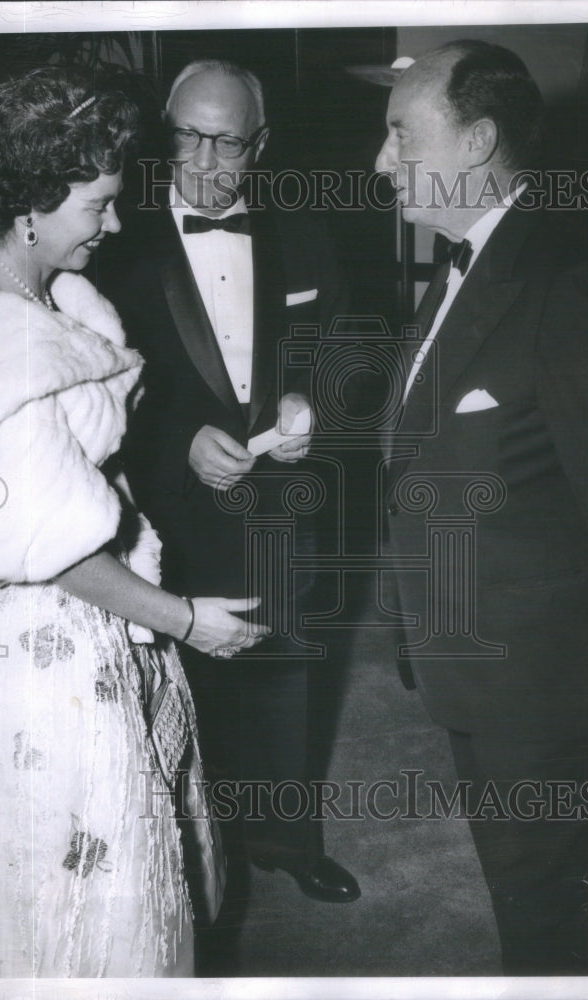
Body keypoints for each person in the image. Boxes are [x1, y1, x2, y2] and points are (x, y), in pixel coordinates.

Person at [0, 66, 269, 979]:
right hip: (35, 666)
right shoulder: (0, 345)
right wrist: (185, 621)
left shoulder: (12, 284)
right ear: (32, 205)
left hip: (43, 631)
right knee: (62, 912)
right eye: (97, 202)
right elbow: (49, 551)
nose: (116, 221)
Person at [374, 40, 588, 974]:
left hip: (551, 697)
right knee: (529, 905)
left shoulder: (568, 282)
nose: (380, 161)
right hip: (481, 679)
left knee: (565, 926)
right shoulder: (464, 263)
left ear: (476, 140)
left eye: (402, 136)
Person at [96, 60, 360, 909]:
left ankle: (285, 840)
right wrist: (175, 441)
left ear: (261, 144)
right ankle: (194, 865)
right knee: (180, 697)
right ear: (162, 133)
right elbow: (92, 387)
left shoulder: (305, 226)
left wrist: (305, 396)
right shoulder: (111, 237)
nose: (208, 163)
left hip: (279, 501)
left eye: (230, 143)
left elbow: (340, 342)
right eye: (189, 138)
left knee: (284, 676)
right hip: (164, 518)